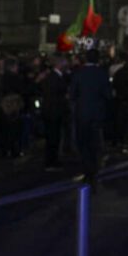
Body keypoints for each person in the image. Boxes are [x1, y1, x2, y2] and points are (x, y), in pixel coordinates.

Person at [69, 49, 112, 190]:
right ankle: (93, 170)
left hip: (82, 113)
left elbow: (72, 94)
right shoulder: (102, 73)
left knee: (83, 142)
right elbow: (107, 94)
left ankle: (86, 169)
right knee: (95, 143)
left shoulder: (79, 73)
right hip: (97, 113)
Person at [39, 55, 69, 170]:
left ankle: (53, 159)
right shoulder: (54, 78)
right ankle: (51, 161)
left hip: (52, 110)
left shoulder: (53, 76)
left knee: (54, 137)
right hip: (53, 111)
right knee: (53, 137)